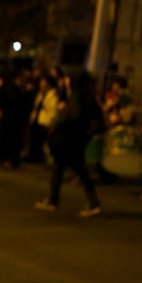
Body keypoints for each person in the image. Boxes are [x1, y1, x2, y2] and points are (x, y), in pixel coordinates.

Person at [35, 70, 105, 217]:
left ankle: (92, 202)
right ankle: (54, 200)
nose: (65, 81)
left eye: (68, 78)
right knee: (63, 169)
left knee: (74, 170)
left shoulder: (77, 95)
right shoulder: (86, 95)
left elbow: (74, 115)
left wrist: (63, 114)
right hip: (76, 138)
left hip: (70, 138)